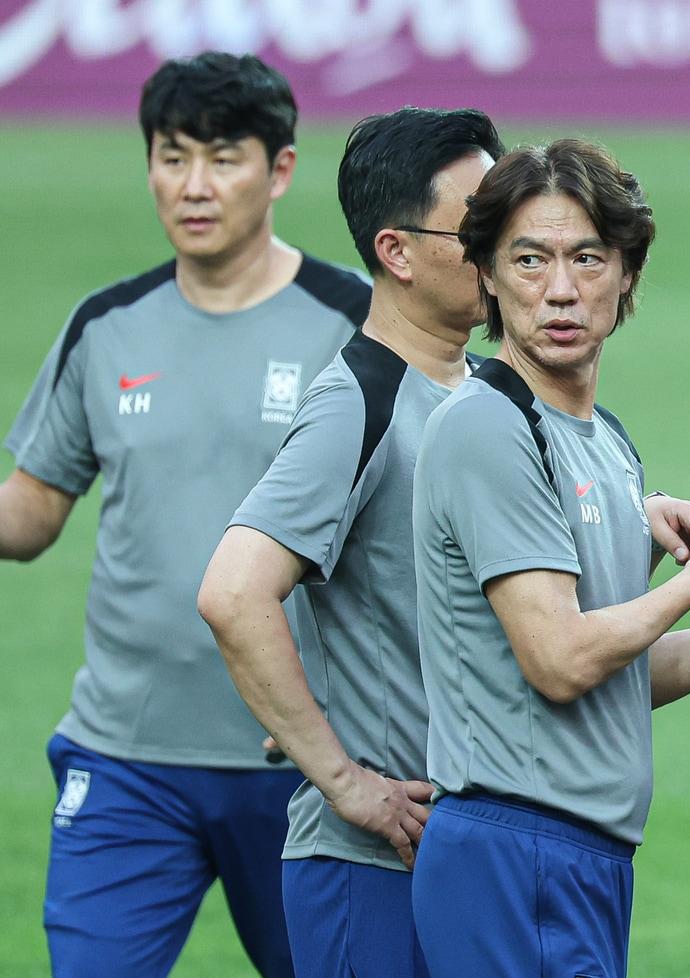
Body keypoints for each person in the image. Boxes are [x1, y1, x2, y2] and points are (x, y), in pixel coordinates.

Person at [199, 108, 690, 978]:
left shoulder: (493, 397)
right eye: (478, 224)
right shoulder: (357, 402)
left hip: (474, 846)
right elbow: (232, 591)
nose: (505, 241)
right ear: (399, 252)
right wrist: (342, 778)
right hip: (374, 859)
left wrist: (634, 513)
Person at [409, 138, 690, 978]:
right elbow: (561, 660)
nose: (560, 289)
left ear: (626, 273)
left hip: (578, 859)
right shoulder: (491, 426)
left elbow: (619, 678)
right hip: (514, 851)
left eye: (587, 258)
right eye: (530, 259)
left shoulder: (605, 442)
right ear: (486, 274)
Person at [0, 52, 369, 978]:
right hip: (126, 759)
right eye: (171, 157)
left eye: (222, 157)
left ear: (279, 169)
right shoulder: (106, 326)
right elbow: (31, 515)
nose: (192, 186)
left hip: (307, 765)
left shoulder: (358, 326)